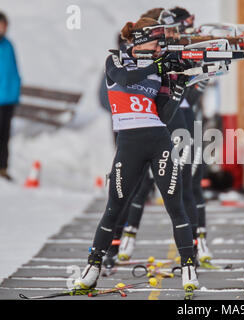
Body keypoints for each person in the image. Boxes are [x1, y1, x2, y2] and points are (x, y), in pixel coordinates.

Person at [74, 17, 198, 291]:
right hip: (129, 144)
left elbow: (164, 114)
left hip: (158, 140)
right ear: (141, 41)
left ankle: (189, 267)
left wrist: (178, 85)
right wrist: (158, 65)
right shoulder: (116, 61)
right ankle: (93, 267)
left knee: (175, 206)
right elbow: (127, 78)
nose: (160, 48)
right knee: (114, 208)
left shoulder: (156, 69)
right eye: (157, 42)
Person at [116, 7, 213, 265]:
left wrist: (202, 71)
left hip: (180, 116)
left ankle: (196, 243)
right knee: (138, 183)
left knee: (188, 181)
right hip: (153, 120)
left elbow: (192, 95)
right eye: (170, 30)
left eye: (177, 29)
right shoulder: (152, 49)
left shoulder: (179, 46)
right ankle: (122, 237)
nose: (176, 34)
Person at [0, 12, 21, 181]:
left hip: (8, 99)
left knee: (5, 135)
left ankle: (3, 168)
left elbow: (13, 71)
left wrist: (15, 91)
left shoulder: (9, 45)